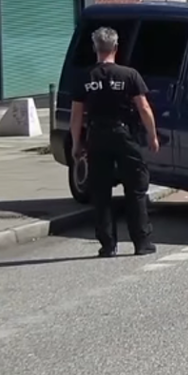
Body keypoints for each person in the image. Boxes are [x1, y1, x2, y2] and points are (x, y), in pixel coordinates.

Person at [70, 27, 158, 257]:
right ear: (116, 47)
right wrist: (152, 135)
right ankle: (142, 242)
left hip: (97, 137)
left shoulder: (85, 77)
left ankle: (108, 245)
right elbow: (144, 108)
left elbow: (76, 116)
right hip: (124, 134)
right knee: (136, 189)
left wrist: (76, 143)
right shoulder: (129, 75)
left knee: (101, 192)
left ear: (95, 48)